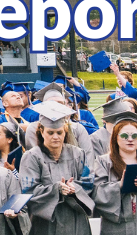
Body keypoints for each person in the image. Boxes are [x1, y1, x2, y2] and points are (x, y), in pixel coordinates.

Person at [16, 101, 93, 235]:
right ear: (41, 131)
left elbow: (88, 182)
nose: (55, 137)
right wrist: (56, 189)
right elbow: (28, 190)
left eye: (59, 132)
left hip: (76, 219)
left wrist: (75, 188)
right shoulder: (32, 156)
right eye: (50, 132)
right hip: (45, 223)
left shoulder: (78, 154)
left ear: (65, 131)